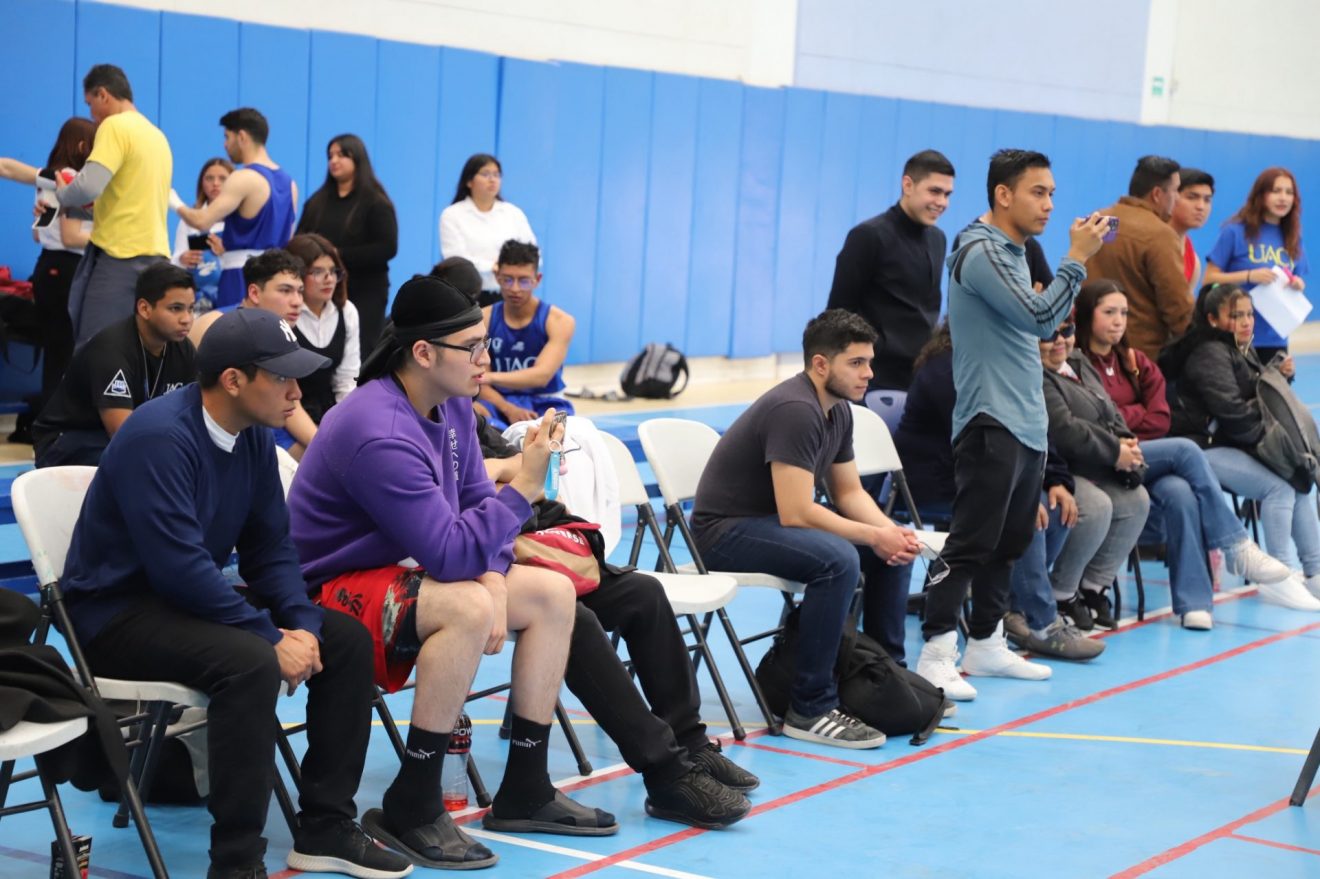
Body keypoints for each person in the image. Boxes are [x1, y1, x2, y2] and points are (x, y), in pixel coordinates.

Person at [59, 307, 412, 879]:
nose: (297, 392)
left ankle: (325, 826)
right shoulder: (159, 438)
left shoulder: (251, 436)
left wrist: (303, 624)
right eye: (283, 377)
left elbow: (270, 549)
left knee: (344, 638)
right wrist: (269, 636)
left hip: (186, 605)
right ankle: (236, 861)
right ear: (233, 380)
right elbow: (179, 569)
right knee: (250, 661)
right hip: (116, 615)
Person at [288, 276, 616, 870]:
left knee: (551, 592)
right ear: (423, 352)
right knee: (466, 608)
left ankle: (526, 787)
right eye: (473, 347)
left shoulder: (454, 401)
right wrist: (525, 484)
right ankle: (414, 800)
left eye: (485, 343)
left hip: (401, 566)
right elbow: (449, 553)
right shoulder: (379, 430)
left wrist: (494, 574)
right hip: (329, 588)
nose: (486, 359)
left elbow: (472, 507)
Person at [476, 415, 756, 828]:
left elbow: (529, 470)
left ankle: (691, 742)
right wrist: (508, 476)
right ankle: (666, 772)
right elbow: (470, 495)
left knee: (643, 594)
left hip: (528, 546)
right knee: (576, 620)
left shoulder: (466, 416)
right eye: (473, 355)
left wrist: (500, 468)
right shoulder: (414, 422)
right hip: (483, 564)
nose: (481, 376)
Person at [914, 149, 1109, 702]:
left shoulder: (1015, 253)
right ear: (1003, 195)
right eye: (1037, 192)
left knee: (1010, 542)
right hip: (989, 420)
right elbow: (1042, 320)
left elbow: (1038, 321)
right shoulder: (980, 251)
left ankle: (985, 641)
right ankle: (935, 652)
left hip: (1025, 420)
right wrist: (1076, 259)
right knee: (971, 541)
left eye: (1052, 194)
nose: (1049, 204)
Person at [691, 309, 920, 748]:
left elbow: (849, 493)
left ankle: (885, 679)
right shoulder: (796, 409)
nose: (869, 374)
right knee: (839, 560)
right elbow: (797, 512)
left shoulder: (840, 411)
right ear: (820, 364)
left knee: (892, 549)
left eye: (869, 362)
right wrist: (872, 535)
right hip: (723, 533)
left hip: (768, 522)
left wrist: (890, 533)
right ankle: (809, 707)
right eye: (856, 363)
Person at [1067, 280, 1291, 629]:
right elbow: (1095, 421)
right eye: (1109, 312)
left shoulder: (1135, 362)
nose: (1118, 321)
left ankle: (1194, 604)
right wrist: (1128, 420)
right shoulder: (1075, 365)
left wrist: (1123, 419)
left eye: (1123, 312)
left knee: (1180, 492)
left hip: (1144, 460)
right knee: (1185, 450)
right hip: (1103, 460)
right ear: (1085, 315)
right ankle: (1236, 546)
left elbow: (1161, 418)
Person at [894, 324, 1104, 661]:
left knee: (1055, 507)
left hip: (984, 473)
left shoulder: (999, 365)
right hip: (938, 481)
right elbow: (978, 444)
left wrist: (1055, 479)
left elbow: (1033, 428)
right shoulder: (947, 369)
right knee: (1022, 513)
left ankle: (1013, 610)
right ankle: (1041, 624)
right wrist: (1017, 490)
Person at [1161, 283, 1320, 611]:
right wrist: (1274, 447)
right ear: (1213, 319)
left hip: (1230, 441)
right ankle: (1278, 577)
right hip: (1199, 449)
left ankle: (1314, 571)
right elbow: (1232, 411)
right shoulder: (1208, 352)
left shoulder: (1237, 347)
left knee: (1298, 476)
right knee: (1280, 486)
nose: (1247, 322)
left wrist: (1276, 375)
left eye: (1249, 314)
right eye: (1237, 315)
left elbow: (1250, 393)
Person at [1039, 316, 1151, 629]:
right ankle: (1062, 592)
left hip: (1098, 461)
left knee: (1136, 500)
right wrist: (1116, 451)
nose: (1060, 340)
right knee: (1097, 506)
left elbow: (1110, 409)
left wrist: (1125, 440)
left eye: (1067, 330)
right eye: (1049, 335)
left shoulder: (1078, 361)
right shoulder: (1035, 374)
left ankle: (1093, 587)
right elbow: (1064, 430)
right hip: (1058, 468)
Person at [32, 262, 196, 467]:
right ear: (144, 308)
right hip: (66, 441)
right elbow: (122, 434)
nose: (186, 319)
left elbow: (195, 417)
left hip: (120, 438)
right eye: (176, 309)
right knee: (143, 463)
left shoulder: (183, 349)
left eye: (191, 309)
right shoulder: (111, 349)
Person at [56, 64, 173, 348]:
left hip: (120, 257)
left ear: (103, 95)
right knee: (140, 350)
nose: (91, 115)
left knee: (95, 348)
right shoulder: (157, 136)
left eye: (90, 104)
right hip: (157, 257)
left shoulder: (114, 126)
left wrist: (62, 195)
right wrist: (78, 210)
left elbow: (88, 186)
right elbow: (127, 202)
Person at [826, 149, 954, 396]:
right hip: (874, 378)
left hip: (918, 376)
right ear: (908, 185)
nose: (942, 202)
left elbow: (928, 308)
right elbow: (837, 314)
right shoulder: (868, 236)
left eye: (947, 194)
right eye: (935, 191)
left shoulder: (938, 239)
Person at [0, 117, 96, 423]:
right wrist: (112, 234)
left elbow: (37, 234)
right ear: (82, 146)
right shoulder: (72, 180)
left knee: (58, 350)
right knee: (63, 351)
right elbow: (70, 237)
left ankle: (51, 422)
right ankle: (55, 424)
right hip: (66, 268)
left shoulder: (51, 180)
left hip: (49, 267)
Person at [190, 249, 319, 457]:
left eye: (300, 291)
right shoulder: (214, 326)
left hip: (271, 426)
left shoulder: (280, 328)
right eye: (285, 290)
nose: (297, 302)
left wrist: (325, 447)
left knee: (325, 461)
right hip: (228, 434)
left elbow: (293, 404)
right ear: (254, 293)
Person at [174, 108, 297, 310]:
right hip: (276, 281)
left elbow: (202, 221)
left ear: (241, 137)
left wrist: (173, 201)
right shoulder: (290, 184)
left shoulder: (242, 178)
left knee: (233, 328)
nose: (225, 144)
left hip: (240, 277)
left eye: (227, 137)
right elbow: (289, 237)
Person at [295, 134, 397, 353]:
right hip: (321, 288)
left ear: (357, 159)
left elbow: (387, 247)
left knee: (361, 349)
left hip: (366, 290)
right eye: (330, 156)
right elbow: (299, 240)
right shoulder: (316, 202)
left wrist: (337, 255)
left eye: (342, 155)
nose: (334, 160)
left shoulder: (376, 202)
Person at [1084, 155, 1190, 358]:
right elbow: (1177, 309)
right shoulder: (1160, 235)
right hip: (1138, 355)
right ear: (1157, 194)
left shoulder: (1100, 219)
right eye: (1176, 191)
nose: (1178, 199)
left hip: (1090, 348)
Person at [1203, 167, 1308, 365]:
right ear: (1261, 195)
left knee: (1275, 385)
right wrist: (1249, 275)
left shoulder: (1293, 237)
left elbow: (1298, 278)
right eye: (1276, 191)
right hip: (1237, 335)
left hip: (1275, 338)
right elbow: (1209, 279)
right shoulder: (1235, 232)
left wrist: (1298, 284)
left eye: (1289, 192)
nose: (1283, 198)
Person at [479, 240, 575, 428]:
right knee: (474, 413)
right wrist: (508, 408)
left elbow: (541, 376)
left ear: (537, 280)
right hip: (498, 400)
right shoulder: (484, 319)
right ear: (497, 277)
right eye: (507, 279)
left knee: (555, 433)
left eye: (523, 281)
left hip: (546, 401)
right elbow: (480, 383)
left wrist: (490, 377)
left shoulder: (559, 321)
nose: (515, 289)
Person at [438, 154, 536, 304]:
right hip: (466, 295)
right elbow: (455, 260)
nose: (492, 180)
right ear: (469, 181)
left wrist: (509, 270)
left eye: (496, 175)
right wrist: (492, 267)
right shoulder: (452, 214)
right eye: (485, 174)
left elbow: (533, 252)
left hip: (508, 294)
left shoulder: (513, 213)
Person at [286, 233, 359, 424]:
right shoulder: (284, 312)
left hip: (330, 411)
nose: (329, 279)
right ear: (297, 275)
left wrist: (346, 423)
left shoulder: (347, 311)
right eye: (317, 272)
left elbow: (347, 380)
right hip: (289, 413)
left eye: (333, 271)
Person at [171, 157, 233, 313]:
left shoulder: (240, 220)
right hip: (197, 301)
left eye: (222, 178)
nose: (215, 183)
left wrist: (225, 253)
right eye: (209, 178)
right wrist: (182, 259)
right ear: (201, 184)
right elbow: (174, 262)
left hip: (230, 294)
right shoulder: (188, 219)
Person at [1170, 168, 1214, 295]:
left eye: (1207, 200)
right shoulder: (1146, 240)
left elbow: (1184, 305)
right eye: (1192, 197)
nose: (1201, 207)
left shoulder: (1194, 262)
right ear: (1171, 197)